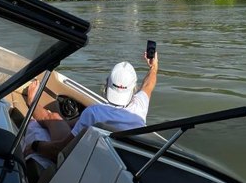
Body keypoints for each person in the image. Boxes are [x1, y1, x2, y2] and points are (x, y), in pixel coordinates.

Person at [25, 50, 159, 163]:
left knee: (53, 117)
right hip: (109, 160)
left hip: (82, 159)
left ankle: (32, 102)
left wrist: (36, 146)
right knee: (67, 123)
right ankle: (64, 122)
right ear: (133, 88)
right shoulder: (139, 108)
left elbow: (60, 151)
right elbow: (148, 85)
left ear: (107, 85)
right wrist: (154, 67)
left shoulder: (94, 113)